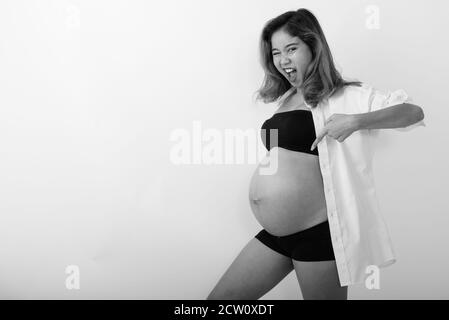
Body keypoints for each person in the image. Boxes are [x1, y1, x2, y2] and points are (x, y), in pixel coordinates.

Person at [206, 8, 425, 300]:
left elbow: (413, 112)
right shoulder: (286, 98)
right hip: (276, 235)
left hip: (319, 236)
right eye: (276, 53)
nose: (283, 60)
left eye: (292, 49)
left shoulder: (346, 95)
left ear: (313, 46)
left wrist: (355, 121)